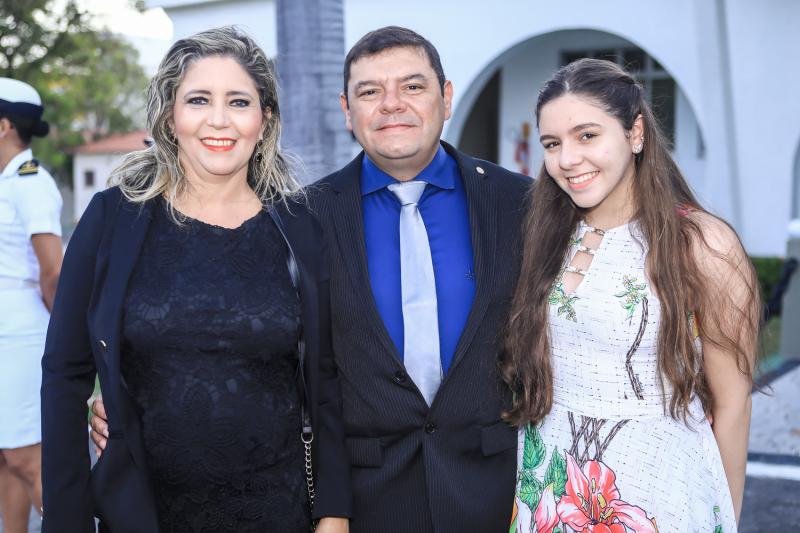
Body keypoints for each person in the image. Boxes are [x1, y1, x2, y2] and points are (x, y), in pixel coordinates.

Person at [91, 26, 531, 532]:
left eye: (412, 86)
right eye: (370, 91)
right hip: (362, 498)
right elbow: (251, 338)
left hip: (493, 490)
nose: (392, 104)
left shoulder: (519, 203)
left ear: (446, 96)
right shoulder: (301, 217)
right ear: (347, 110)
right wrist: (130, 395)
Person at [41, 26, 350, 533]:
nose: (219, 119)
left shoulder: (301, 228)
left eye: (239, 102)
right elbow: (63, 374)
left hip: (279, 509)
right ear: (170, 116)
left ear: (265, 119)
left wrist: (334, 512)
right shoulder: (113, 219)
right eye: (199, 99)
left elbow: (326, 381)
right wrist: (67, 520)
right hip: (145, 511)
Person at [502, 59, 759, 532]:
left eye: (587, 135)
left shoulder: (701, 243)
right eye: (552, 144)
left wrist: (724, 518)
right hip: (549, 491)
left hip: (658, 494)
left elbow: (733, 403)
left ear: (635, 133)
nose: (567, 159)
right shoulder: (543, 235)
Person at [0, 77, 62, 532]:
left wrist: (69, 344)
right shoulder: (7, 181)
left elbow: (53, 271)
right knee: (7, 457)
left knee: (26, 457)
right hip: (6, 332)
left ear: (4, 127)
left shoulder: (31, 182)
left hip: (20, 336)